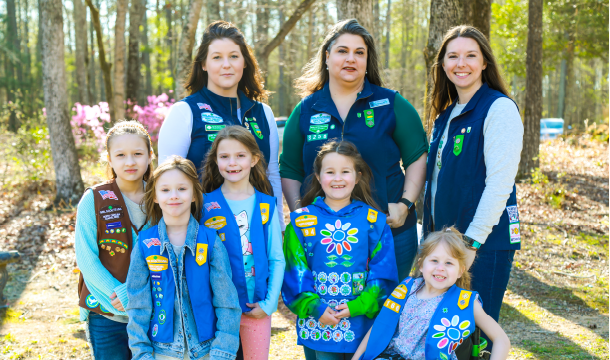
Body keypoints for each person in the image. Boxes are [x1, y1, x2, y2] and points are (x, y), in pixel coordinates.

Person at [280, 19, 427, 281]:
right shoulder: (305, 110)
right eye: (342, 51)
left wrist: (405, 204)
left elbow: (417, 156)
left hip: (389, 232)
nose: (351, 59)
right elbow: (290, 168)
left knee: (385, 315)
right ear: (327, 57)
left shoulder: (391, 104)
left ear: (367, 60)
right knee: (330, 313)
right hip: (322, 236)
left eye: (359, 52)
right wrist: (299, 210)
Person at [421, 25, 523, 349]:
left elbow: (500, 184)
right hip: (447, 248)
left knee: (475, 342)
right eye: (452, 56)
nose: (460, 63)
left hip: (481, 246)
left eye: (470, 55)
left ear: (484, 64)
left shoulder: (498, 108)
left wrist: (471, 243)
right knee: (446, 338)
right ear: (443, 65)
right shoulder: (446, 115)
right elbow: (436, 184)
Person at [158, 20, 284, 229]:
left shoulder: (263, 113)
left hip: (256, 231)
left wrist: (278, 228)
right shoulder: (185, 112)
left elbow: (272, 175)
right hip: (202, 233)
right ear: (204, 64)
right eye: (217, 57)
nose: (227, 64)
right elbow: (167, 179)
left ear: (244, 62)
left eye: (234, 56)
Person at [282, 141, 398, 360]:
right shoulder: (300, 221)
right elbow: (294, 272)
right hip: (317, 324)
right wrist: (315, 307)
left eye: (345, 171)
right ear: (318, 176)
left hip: (361, 324)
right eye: (330, 172)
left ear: (357, 175)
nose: (337, 178)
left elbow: (383, 274)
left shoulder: (374, 221)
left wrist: (358, 306)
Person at [126, 157, 241, 360]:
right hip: (161, 352)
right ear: (154, 196)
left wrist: (221, 352)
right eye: (165, 190)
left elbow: (227, 303)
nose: (174, 196)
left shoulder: (210, 241)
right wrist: (141, 353)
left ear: (194, 195)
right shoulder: (145, 243)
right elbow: (138, 306)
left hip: (208, 351)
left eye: (182, 188)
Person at [352, 228, 511, 360]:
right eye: (434, 261)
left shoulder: (465, 303)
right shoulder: (406, 289)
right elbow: (379, 327)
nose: (440, 268)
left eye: (449, 263)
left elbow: (501, 340)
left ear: (460, 271)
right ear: (421, 264)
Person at [199, 126, 285, 360]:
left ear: (254, 159)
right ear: (216, 160)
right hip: (217, 310)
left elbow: (277, 257)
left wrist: (268, 305)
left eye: (240, 155)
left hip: (255, 308)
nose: (232, 162)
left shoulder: (266, 205)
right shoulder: (205, 205)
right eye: (224, 156)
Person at [75, 120, 154, 360]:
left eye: (138, 154)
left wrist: (141, 296)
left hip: (153, 312)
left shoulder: (162, 196)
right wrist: (122, 294)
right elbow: (86, 259)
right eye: (121, 155)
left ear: (150, 156)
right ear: (109, 159)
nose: (130, 162)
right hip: (106, 314)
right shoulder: (94, 199)